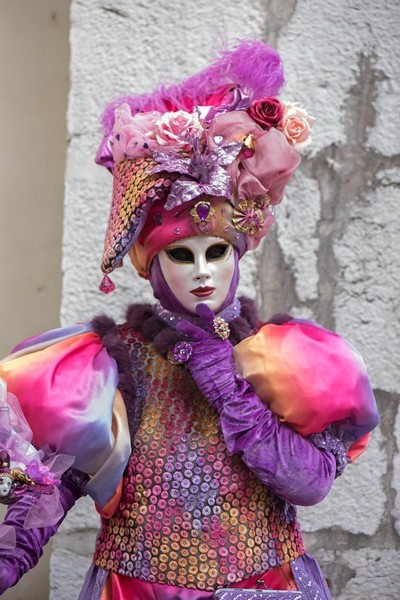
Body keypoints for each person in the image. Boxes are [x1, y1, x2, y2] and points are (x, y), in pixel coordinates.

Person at [0, 40, 379, 599]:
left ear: (239, 252)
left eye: (217, 250)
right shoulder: (107, 364)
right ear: (151, 264)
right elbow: (38, 503)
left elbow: (309, 482)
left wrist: (230, 384)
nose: (202, 270)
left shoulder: (286, 359)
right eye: (181, 254)